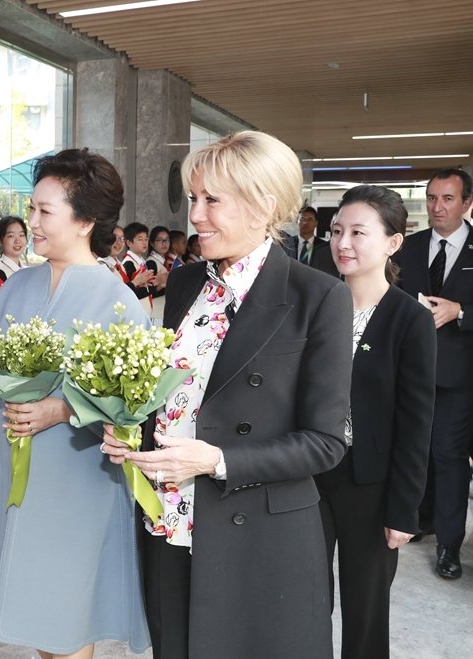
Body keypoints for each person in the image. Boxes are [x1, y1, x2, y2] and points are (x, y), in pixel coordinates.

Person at [103, 131, 353, 659]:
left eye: (212, 200)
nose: (195, 216)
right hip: (169, 522)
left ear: (265, 204)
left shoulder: (319, 296)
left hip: (258, 537)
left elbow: (325, 443)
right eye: (194, 199)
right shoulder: (187, 283)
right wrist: (132, 430)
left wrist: (217, 459)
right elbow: (180, 395)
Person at [0, 148, 150, 659]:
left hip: (78, 477)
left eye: (46, 211)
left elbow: (130, 405)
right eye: (32, 209)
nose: (32, 222)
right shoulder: (18, 285)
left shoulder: (119, 301)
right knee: (40, 615)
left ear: (86, 220)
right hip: (19, 469)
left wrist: (63, 409)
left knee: (68, 617)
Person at [318, 185, 436, 659]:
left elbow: (416, 420)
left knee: (366, 609)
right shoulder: (318, 304)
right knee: (305, 599)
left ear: (392, 242)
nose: (343, 243)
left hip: (371, 484)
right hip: (308, 474)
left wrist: (404, 509)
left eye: (358, 232)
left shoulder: (409, 318)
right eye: (337, 231)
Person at [394, 168, 473, 579]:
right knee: (415, 450)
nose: (437, 207)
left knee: (448, 455)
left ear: (467, 204)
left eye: (447, 199)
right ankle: (420, 519)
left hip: (460, 377)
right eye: (431, 198)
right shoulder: (410, 247)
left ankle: (449, 545)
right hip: (411, 372)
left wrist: (461, 312)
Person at [286, 206, 339, 277]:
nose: (305, 222)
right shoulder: (287, 244)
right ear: (297, 222)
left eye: (310, 219)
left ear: (316, 223)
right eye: (302, 219)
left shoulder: (325, 246)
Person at [121, 222, 157, 316]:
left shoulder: (141, 261)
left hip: (145, 312)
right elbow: (131, 292)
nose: (144, 242)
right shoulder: (129, 263)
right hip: (135, 313)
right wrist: (157, 283)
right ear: (129, 243)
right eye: (140, 239)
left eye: (146, 239)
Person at [146, 227, 172, 326]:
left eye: (167, 240)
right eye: (159, 240)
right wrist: (165, 285)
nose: (164, 243)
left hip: (162, 311)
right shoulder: (151, 262)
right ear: (152, 243)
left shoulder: (163, 262)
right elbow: (149, 291)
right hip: (155, 312)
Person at [0, 215, 28, 281]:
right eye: (11, 236)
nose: (17, 241)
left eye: (21, 235)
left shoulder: (27, 270)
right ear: (0, 241)